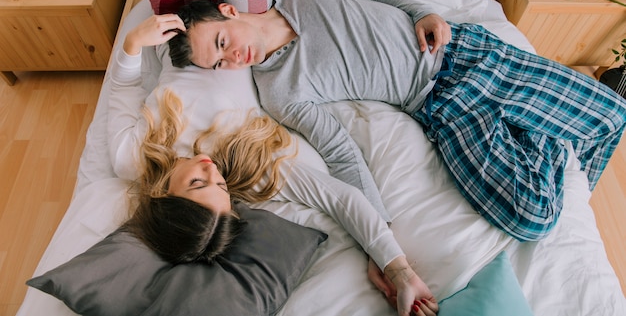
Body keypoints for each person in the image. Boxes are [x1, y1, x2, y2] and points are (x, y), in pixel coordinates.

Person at [164, 0, 626, 243]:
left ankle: (536, 124)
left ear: (228, 12)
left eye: (223, 43)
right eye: (219, 63)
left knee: (613, 116)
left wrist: (424, 12)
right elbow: (342, 151)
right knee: (535, 219)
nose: (232, 59)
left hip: (468, 53)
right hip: (442, 106)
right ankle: (541, 129)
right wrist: (379, 235)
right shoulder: (279, 90)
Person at [111, 18, 439, 316]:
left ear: (164, 195)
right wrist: (398, 270)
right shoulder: (243, 166)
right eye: (221, 186)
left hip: (165, 35)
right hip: (237, 34)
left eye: (198, 182)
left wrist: (133, 42)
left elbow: (124, 88)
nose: (212, 169)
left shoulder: (130, 157)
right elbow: (340, 198)